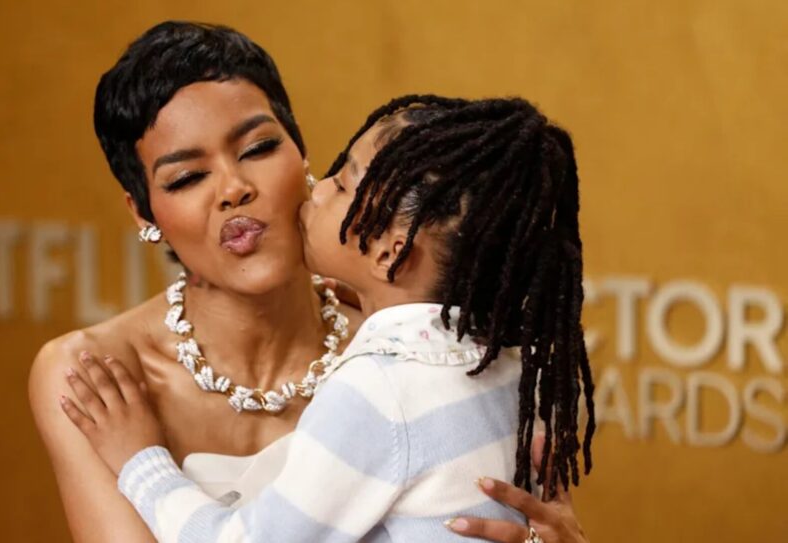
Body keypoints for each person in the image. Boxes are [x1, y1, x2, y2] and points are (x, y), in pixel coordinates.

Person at [29, 21, 591, 543]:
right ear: (143, 212)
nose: (233, 189)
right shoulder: (94, 377)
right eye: (187, 177)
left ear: (302, 154)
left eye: (258, 148)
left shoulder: (411, 362)